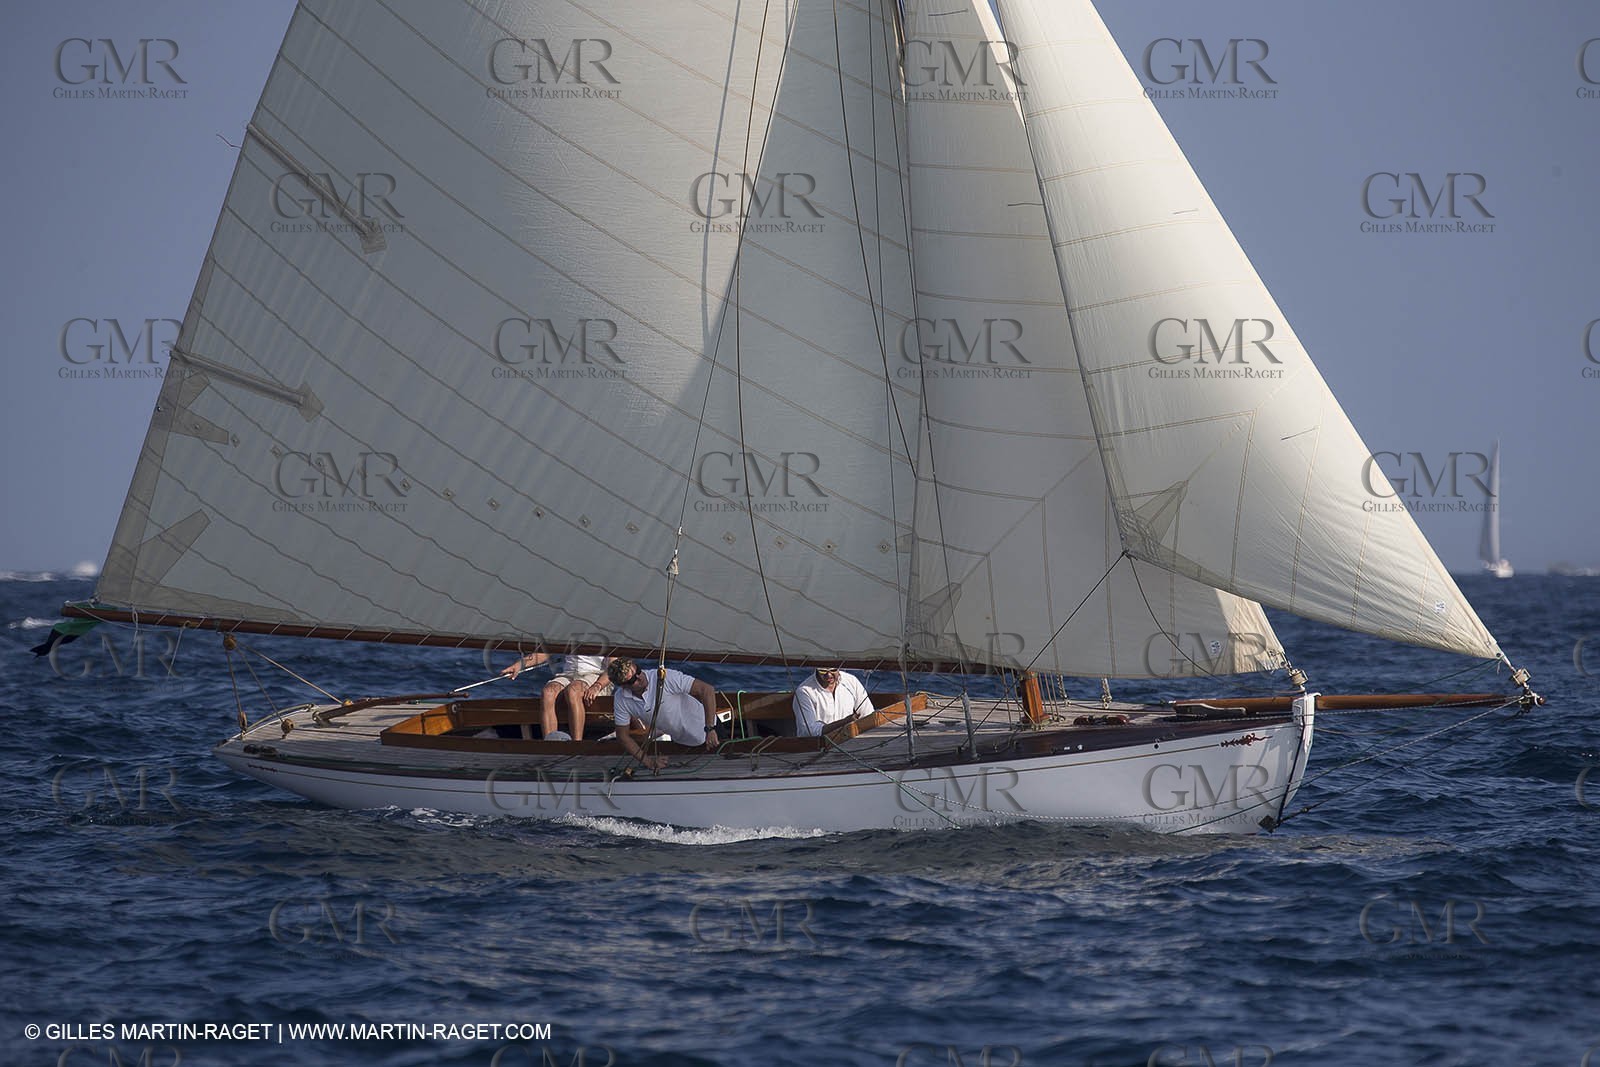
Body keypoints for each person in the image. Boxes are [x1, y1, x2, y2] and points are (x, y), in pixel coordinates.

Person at [606, 657, 720, 771]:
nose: (640, 677)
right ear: (623, 686)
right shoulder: (621, 699)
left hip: (713, 732)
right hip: (682, 744)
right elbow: (623, 736)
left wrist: (710, 728)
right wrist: (649, 763)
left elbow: (706, 690)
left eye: (638, 671)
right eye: (632, 680)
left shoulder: (664, 677)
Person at [502, 651, 613, 741]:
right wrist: (519, 665)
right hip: (569, 674)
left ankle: (576, 744)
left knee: (573, 691)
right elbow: (545, 652)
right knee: (548, 692)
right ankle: (550, 743)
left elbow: (613, 667)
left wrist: (597, 686)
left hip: (596, 676)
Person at [792, 665, 871, 737]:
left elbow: (868, 714)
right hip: (819, 745)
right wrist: (845, 722)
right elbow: (809, 732)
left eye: (833, 669)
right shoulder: (804, 691)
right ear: (816, 668)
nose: (829, 675)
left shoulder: (852, 681)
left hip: (850, 741)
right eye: (823, 670)